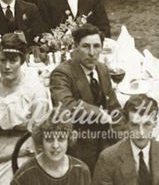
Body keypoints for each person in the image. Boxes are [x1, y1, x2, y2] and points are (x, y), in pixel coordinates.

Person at [0, 32, 51, 185]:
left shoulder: (34, 91)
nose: (7, 66)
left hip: (23, 153)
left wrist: (8, 154)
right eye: (3, 60)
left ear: (22, 61)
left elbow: (39, 138)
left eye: (13, 60)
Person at [49, 23, 120, 170]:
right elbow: (66, 106)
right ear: (75, 47)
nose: (92, 53)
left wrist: (123, 135)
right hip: (78, 145)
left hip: (105, 141)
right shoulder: (62, 73)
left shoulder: (102, 69)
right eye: (86, 46)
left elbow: (114, 106)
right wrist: (100, 114)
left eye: (97, 46)